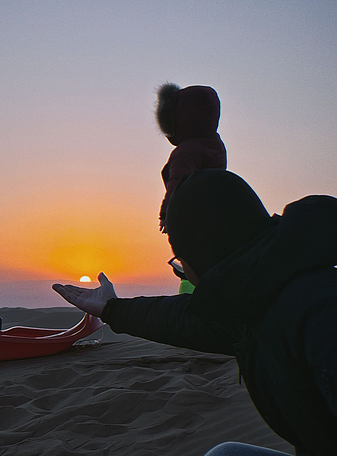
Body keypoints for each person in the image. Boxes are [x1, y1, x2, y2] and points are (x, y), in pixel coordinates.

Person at [52, 169, 337, 456]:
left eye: (180, 262)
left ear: (204, 256)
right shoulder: (260, 300)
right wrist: (112, 309)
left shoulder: (319, 315)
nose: (183, 271)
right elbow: (181, 320)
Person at [156, 83, 226, 233]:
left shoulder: (185, 152)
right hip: (214, 212)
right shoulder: (216, 144)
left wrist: (167, 213)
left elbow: (177, 181)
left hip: (189, 217)